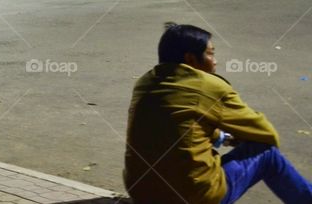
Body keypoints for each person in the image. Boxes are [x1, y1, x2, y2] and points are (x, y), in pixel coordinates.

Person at [125, 23, 312, 204]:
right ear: (190, 59)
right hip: (192, 197)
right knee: (267, 153)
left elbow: (176, 127)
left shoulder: (144, 83)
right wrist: (243, 137)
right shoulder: (210, 86)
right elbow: (267, 133)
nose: (215, 61)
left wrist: (222, 137)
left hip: (141, 192)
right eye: (210, 54)